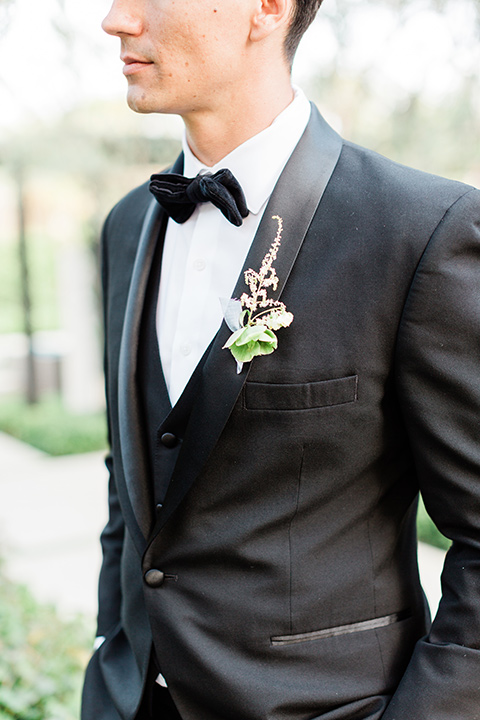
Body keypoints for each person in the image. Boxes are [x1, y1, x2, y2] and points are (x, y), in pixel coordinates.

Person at [81, 0, 480, 718]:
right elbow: (130, 493)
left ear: (267, 7)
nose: (115, 19)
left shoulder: (421, 232)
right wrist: (112, 656)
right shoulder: (124, 228)